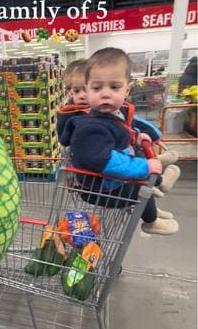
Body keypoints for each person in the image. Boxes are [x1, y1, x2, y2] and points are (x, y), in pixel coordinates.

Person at [57, 47, 180, 235]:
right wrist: (144, 167)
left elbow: (121, 131)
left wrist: (137, 136)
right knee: (139, 190)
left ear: (127, 89)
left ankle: (154, 197)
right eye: (97, 88)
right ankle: (151, 220)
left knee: (139, 182)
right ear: (88, 89)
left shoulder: (107, 116)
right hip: (99, 189)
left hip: (107, 183)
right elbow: (106, 161)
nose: (105, 94)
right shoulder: (89, 128)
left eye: (114, 87)